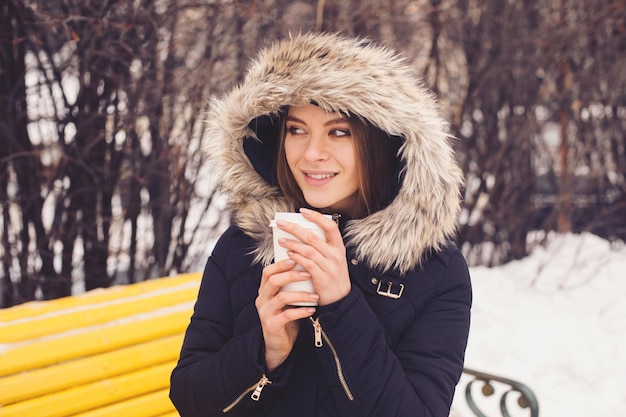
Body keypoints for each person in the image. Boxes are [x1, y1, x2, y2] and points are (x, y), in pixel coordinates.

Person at [170, 32, 472, 417]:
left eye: (338, 132)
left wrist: (342, 307)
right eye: (297, 130)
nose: (312, 154)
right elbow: (189, 399)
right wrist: (267, 350)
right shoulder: (243, 245)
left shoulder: (434, 270)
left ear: (381, 142)